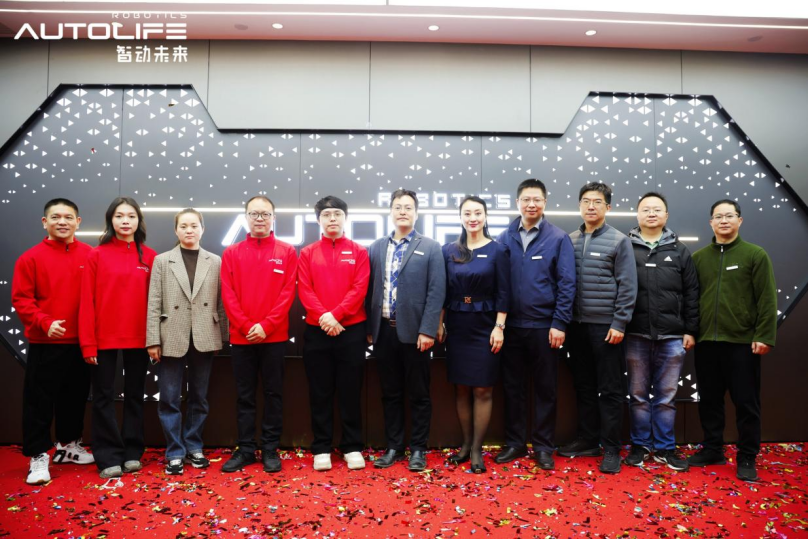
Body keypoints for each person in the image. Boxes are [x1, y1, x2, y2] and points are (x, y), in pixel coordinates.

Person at [689, 200, 777, 481]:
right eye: (718, 216)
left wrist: (764, 335)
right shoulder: (699, 258)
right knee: (709, 400)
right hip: (706, 342)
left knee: (746, 402)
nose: (724, 220)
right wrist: (690, 331)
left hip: (742, 343)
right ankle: (713, 449)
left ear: (740, 220)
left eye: (729, 216)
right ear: (711, 223)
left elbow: (767, 298)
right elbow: (691, 299)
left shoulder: (755, 255)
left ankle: (747, 456)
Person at [12, 198, 95, 485]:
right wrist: (45, 322)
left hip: (81, 343)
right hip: (45, 343)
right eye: (56, 217)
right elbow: (21, 299)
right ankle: (37, 456)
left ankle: (68, 446)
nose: (62, 222)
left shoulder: (90, 255)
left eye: (68, 217)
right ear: (44, 222)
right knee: (39, 402)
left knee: (75, 397)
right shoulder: (30, 258)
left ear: (78, 222)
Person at [494, 179, 576, 471]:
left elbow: (567, 283)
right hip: (511, 327)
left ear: (545, 203)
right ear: (517, 203)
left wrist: (559, 322)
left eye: (537, 199)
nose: (531, 204)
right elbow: (498, 283)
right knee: (512, 388)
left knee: (545, 389)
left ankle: (543, 447)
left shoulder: (558, 238)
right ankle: (515, 443)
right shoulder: (503, 238)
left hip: (545, 327)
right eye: (526, 199)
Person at [558, 182, 637, 474]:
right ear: (579, 205)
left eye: (597, 201)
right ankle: (588, 440)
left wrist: (619, 322)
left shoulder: (619, 241)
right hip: (576, 327)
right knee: (584, 386)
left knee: (611, 389)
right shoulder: (569, 240)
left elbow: (628, 286)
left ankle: (612, 448)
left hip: (606, 328)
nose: (591, 206)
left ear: (608, 207)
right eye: (586, 201)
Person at [367, 188, 446, 472]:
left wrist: (428, 330)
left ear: (416, 213)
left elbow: (437, 291)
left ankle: (419, 449)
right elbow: (370, 289)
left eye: (408, 207)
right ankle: (394, 447)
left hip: (416, 333)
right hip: (383, 332)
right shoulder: (376, 247)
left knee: (419, 394)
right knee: (390, 393)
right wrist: (370, 329)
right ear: (390, 212)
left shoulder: (431, 247)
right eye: (398, 207)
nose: (403, 211)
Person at [146, 209, 228, 476]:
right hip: (171, 335)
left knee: (199, 397)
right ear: (176, 230)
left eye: (194, 225)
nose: (189, 230)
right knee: (169, 398)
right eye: (183, 226)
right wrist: (152, 340)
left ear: (202, 229)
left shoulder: (215, 261)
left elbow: (221, 301)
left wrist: (222, 336)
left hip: (205, 335)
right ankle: (174, 452)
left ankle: (194, 446)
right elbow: (154, 301)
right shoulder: (162, 260)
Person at [79, 196, 157, 479]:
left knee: (135, 395)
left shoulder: (150, 257)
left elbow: (156, 303)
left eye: (131, 216)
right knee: (103, 396)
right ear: (111, 220)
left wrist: (154, 340)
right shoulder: (96, 255)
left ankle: (133, 451)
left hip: (140, 339)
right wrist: (88, 342)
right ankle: (108, 455)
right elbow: (86, 301)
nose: (125, 221)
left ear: (139, 221)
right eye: (119, 216)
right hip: (104, 339)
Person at [220, 196, 298, 474]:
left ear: (273, 218)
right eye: (254, 214)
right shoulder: (232, 253)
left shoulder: (287, 252)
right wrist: (244, 325)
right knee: (244, 396)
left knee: (273, 393)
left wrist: (266, 325)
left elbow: (288, 293)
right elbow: (228, 294)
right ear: (246, 218)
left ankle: (269, 449)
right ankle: (245, 449)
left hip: (274, 337)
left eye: (265, 214)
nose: (260, 219)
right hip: (241, 338)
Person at [624, 192, 699, 471]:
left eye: (657, 209)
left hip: (672, 336)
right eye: (646, 209)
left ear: (666, 215)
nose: (651, 213)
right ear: (637, 214)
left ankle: (666, 447)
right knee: (638, 395)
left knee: (666, 397)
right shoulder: (625, 247)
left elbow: (692, 293)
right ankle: (640, 445)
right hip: (635, 334)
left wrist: (690, 330)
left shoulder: (680, 250)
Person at [298, 196, 370, 472]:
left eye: (337, 214)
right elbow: (305, 289)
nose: (332, 219)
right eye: (326, 215)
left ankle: (352, 446)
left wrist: (336, 315)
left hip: (351, 331)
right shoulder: (307, 253)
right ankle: (321, 447)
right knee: (320, 392)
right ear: (318, 220)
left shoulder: (359, 252)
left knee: (351, 390)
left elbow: (360, 288)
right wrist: (326, 317)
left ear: (345, 218)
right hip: (317, 331)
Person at [439, 196, 510, 474]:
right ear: (460, 217)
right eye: (467, 213)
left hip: (486, 325)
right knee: (461, 387)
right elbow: (443, 291)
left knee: (482, 388)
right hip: (457, 324)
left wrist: (499, 326)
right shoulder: (449, 250)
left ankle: (478, 449)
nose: (473, 218)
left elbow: (504, 291)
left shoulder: (498, 250)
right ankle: (466, 444)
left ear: (485, 216)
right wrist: (439, 323)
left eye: (477, 213)